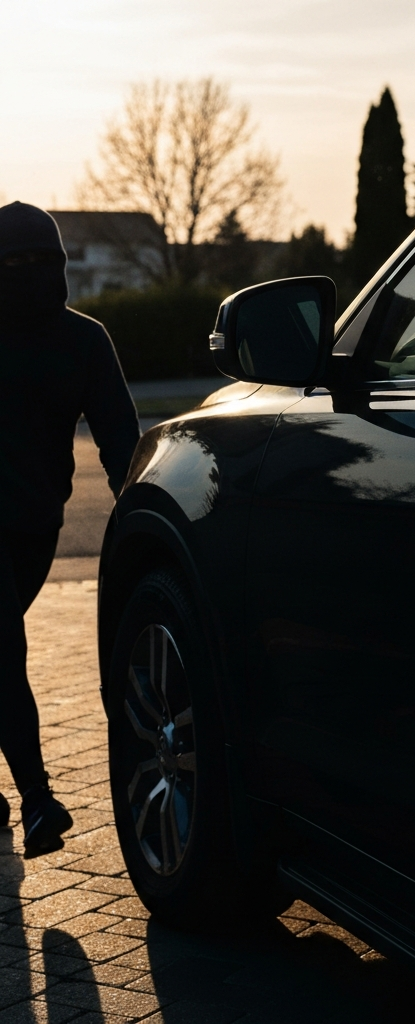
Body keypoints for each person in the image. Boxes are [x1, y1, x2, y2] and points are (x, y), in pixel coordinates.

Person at [0, 202, 139, 857]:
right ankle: (37, 799)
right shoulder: (84, 339)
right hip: (34, 524)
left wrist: (139, 532)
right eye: (14, 265)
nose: (27, 276)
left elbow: (123, 452)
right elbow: (121, 448)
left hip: (33, 529)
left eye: (38, 263)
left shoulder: (84, 341)